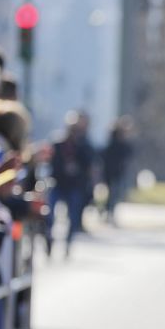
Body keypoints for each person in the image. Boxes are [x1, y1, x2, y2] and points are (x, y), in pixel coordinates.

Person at [49, 110, 96, 257]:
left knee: (72, 217)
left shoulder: (84, 146)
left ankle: (68, 244)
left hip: (74, 186)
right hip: (57, 183)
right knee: (49, 215)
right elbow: (51, 162)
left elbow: (89, 166)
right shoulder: (58, 143)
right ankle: (49, 240)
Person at [102, 116, 135, 224]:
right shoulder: (114, 141)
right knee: (113, 194)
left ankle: (109, 213)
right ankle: (107, 213)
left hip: (119, 172)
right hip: (111, 172)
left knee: (115, 194)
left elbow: (129, 154)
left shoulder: (124, 142)